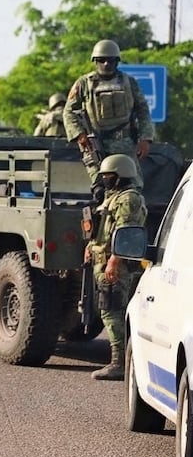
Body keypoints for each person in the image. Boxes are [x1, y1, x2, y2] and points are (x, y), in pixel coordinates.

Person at [85, 153, 146, 380]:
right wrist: (92, 246)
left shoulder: (128, 199)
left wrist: (113, 260)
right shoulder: (113, 197)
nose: (105, 179)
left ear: (121, 175)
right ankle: (121, 361)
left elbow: (125, 232)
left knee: (112, 312)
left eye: (109, 175)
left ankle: (119, 363)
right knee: (110, 310)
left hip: (116, 266)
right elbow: (106, 229)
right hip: (105, 262)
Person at [63, 39, 155, 191]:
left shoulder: (128, 82)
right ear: (95, 61)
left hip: (125, 144)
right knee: (100, 188)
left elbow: (143, 109)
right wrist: (79, 134)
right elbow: (68, 111)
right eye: (101, 60)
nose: (106, 64)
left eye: (110, 60)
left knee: (131, 187)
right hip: (95, 144)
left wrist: (146, 138)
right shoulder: (84, 83)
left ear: (117, 61)